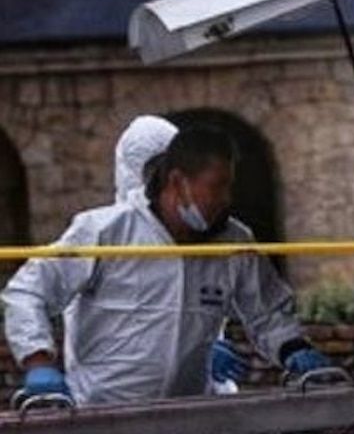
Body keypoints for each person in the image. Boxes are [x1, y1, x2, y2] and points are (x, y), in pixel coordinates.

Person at [2, 125, 330, 405]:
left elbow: (267, 312)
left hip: (189, 416)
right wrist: (38, 362)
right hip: (103, 415)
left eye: (229, 187)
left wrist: (293, 348)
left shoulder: (233, 244)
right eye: (216, 187)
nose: (226, 199)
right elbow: (28, 291)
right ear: (177, 182)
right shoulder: (105, 232)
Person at [113, 115, 245, 394]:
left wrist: (212, 343)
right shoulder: (108, 241)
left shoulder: (196, 232)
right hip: (126, 399)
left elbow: (202, 309)